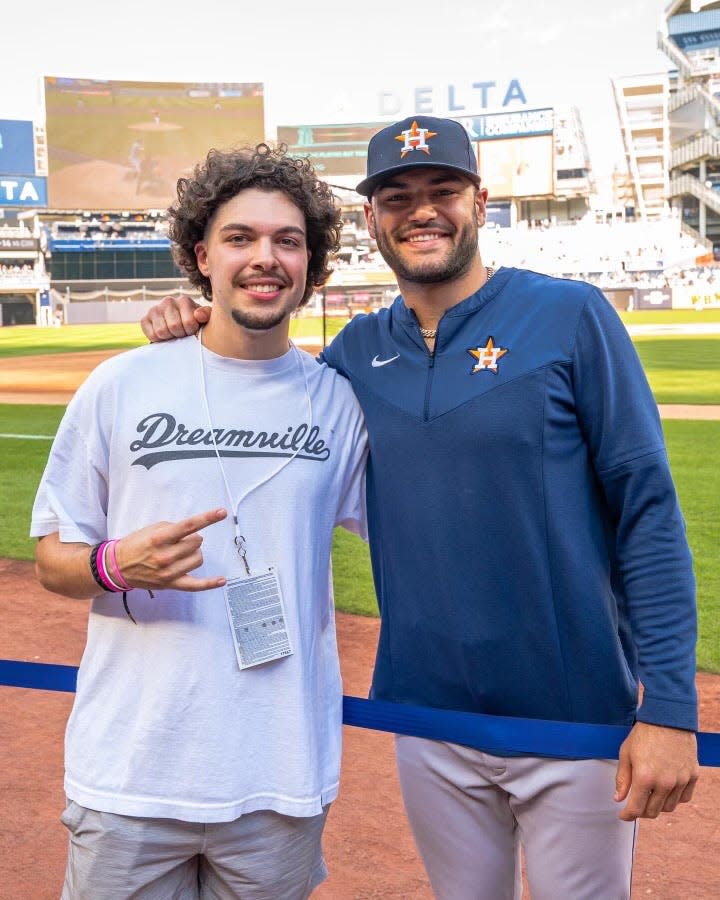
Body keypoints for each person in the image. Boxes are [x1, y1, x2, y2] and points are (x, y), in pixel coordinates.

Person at [140, 116, 699, 900]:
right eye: (397, 196)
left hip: (572, 719)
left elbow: (649, 512)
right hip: (428, 716)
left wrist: (670, 706)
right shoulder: (350, 358)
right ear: (372, 219)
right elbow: (256, 376)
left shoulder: (571, 317)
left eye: (443, 190)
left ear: (480, 199)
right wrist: (193, 318)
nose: (421, 210)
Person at [31, 144, 367, 899]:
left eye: (288, 241)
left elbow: (422, 534)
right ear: (200, 254)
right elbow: (54, 556)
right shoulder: (121, 383)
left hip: (278, 782)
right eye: (240, 237)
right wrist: (114, 566)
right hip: (130, 777)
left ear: (312, 266)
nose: (265, 258)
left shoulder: (339, 405)